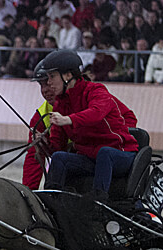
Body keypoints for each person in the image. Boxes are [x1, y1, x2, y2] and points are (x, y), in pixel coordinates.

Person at [25, 50, 138, 199]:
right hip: (90, 158)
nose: (49, 85)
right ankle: (51, 200)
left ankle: (98, 200)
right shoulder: (58, 106)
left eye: (51, 77)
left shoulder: (96, 91)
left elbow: (97, 112)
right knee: (59, 157)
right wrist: (44, 144)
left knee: (104, 153)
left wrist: (69, 119)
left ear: (68, 75)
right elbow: (57, 148)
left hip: (119, 154)